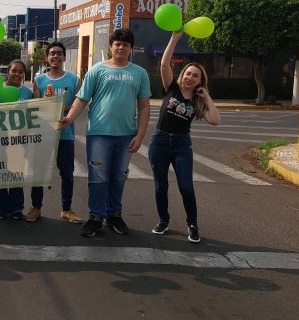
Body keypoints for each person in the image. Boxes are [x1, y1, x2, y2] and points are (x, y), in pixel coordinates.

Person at [61, 28, 151, 237]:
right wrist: (70, 118)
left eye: (125, 44)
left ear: (131, 49)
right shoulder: (97, 70)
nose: (121, 47)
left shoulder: (139, 73)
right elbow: (82, 99)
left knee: (119, 178)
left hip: (126, 134)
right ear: (110, 46)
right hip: (99, 134)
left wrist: (140, 135)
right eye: (117, 44)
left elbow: (144, 106)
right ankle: (95, 217)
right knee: (98, 178)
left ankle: (114, 215)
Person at [148, 31, 220, 243]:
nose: (190, 77)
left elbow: (215, 120)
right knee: (161, 185)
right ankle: (163, 220)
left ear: (200, 81)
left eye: (195, 75)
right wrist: (174, 38)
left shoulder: (198, 101)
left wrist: (207, 97)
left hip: (181, 145)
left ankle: (193, 224)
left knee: (186, 186)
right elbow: (163, 65)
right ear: (182, 75)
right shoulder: (172, 88)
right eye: (188, 73)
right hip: (160, 141)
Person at [26, 42, 82, 225]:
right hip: (43, 135)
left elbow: (77, 106)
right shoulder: (39, 81)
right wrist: (47, 104)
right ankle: (36, 207)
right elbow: (36, 108)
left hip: (65, 135)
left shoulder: (75, 80)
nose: (55, 56)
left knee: (67, 174)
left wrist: (57, 106)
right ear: (47, 58)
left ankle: (66, 209)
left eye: (59, 53)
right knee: (39, 173)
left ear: (64, 57)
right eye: (52, 53)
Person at [0, 59, 34, 220]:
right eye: (14, 71)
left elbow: (31, 115)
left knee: (17, 173)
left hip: (19, 140)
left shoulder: (27, 93)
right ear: (8, 72)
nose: (17, 74)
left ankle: (16, 209)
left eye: (21, 72)